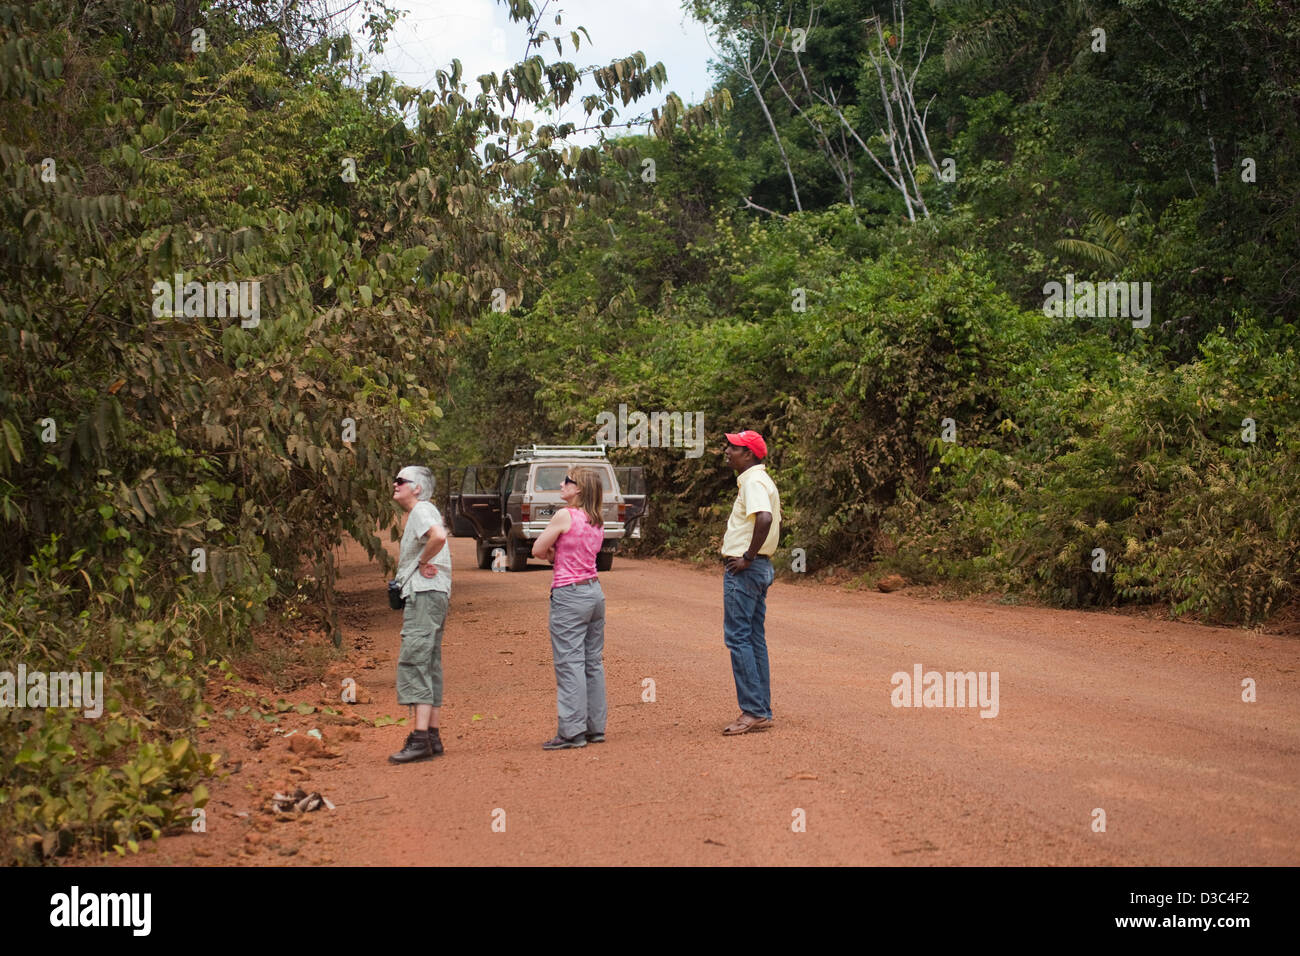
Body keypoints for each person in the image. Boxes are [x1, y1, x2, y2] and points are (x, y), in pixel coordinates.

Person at [531, 467, 607, 750]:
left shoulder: (564, 515)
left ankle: (572, 731)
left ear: (579, 489)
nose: (562, 484)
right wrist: (557, 552)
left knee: (569, 662)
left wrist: (553, 553)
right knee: (592, 662)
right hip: (594, 591)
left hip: (569, 594)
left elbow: (538, 549)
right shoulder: (598, 519)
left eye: (568, 481)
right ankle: (594, 728)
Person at [388, 465, 453, 764]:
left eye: (402, 481)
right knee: (429, 661)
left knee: (415, 659)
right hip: (435, 593)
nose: (395, 484)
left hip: (425, 594)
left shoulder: (421, 509)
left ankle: (419, 739)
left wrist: (422, 561)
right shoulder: (424, 511)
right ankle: (432, 735)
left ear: (417, 488)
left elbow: (438, 536)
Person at [719, 430, 781, 735]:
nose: (728, 451)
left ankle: (753, 711)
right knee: (753, 638)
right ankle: (761, 709)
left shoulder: (754, 482)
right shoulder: (759, 480)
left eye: (735, 447)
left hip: (746, 570)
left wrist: (746, 557)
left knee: (738, 638)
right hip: (759, 568)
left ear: (750, 454)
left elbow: (765, 518)